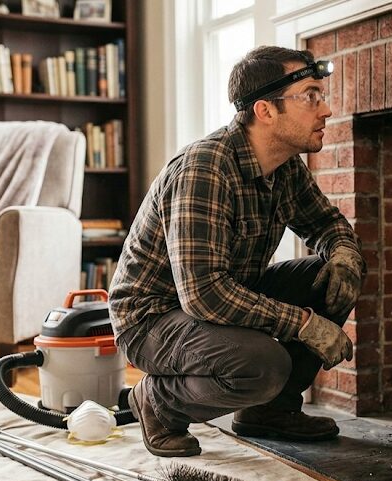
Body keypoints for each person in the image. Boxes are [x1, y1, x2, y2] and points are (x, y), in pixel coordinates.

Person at [108, 46, 365, 457]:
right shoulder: (205, 169)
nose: (326, 109)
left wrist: (344, 256)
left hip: (221, 301)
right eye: (311, 96)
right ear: (265, 111)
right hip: (153, 319)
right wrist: (304, 323)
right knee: (265, 365)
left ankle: (269, 411)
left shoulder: (285, 166)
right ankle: (156, 402)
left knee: (329, 276)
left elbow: (327, 226)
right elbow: (204, 294)